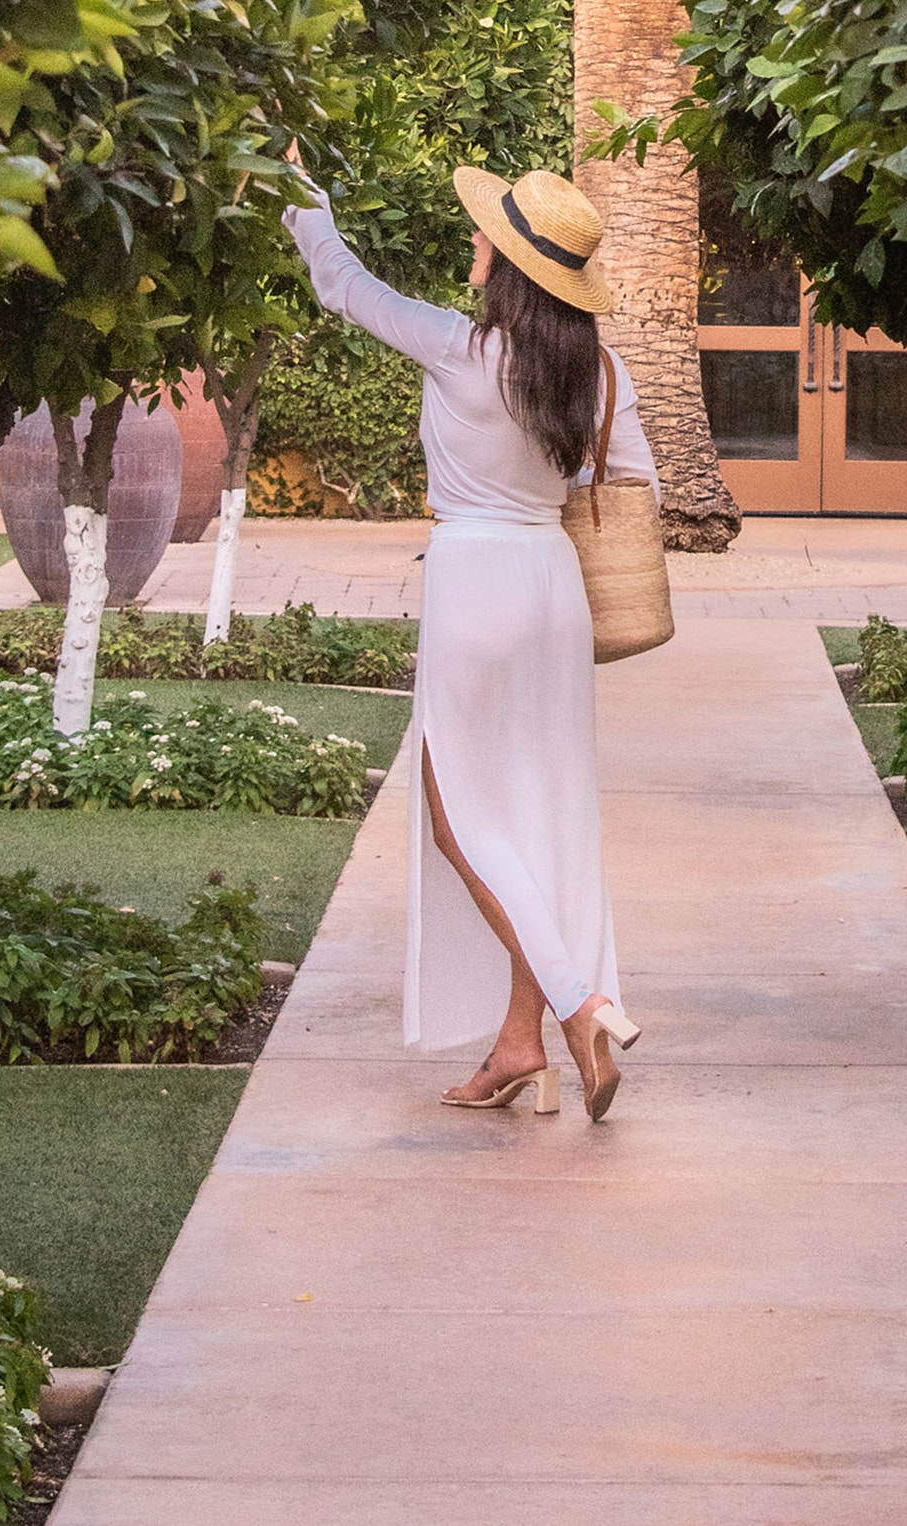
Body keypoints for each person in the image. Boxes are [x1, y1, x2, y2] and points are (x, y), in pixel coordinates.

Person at [281, 148, 651, 1122]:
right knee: (538, 819)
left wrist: (299, 191)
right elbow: (619, 482)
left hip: (477, 582)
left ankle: (579, 1006)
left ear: (511, 267)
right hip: (554, 588)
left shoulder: (461, 347)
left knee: (463, 824)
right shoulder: (599, 372)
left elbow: (341, 282)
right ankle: (518, 1043)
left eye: (486, 234)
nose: (475, 241)